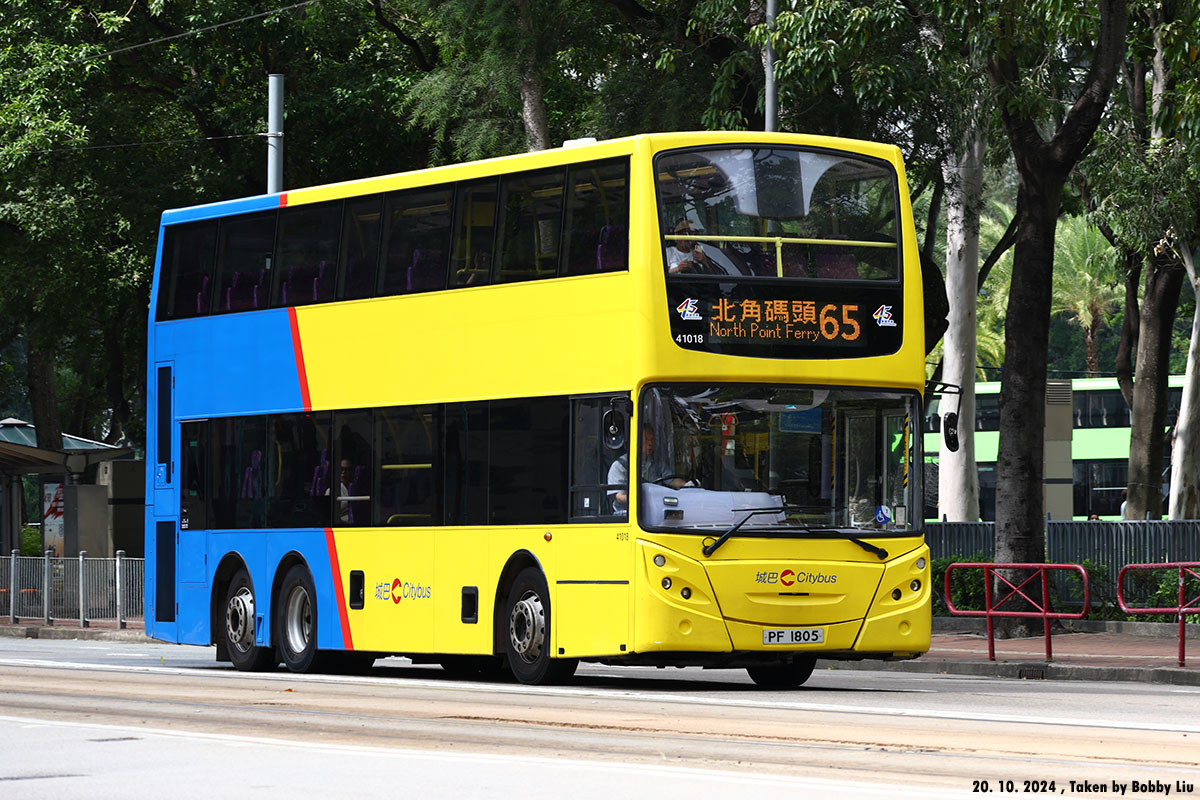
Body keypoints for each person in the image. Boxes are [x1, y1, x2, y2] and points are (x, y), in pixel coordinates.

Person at [607, 425, 687, 514]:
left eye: (652, 439)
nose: (650, 443)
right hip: (628, 514)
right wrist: (644, 499)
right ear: (635, 441)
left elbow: (671, 480)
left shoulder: (657, 462)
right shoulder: (620, 466)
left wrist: (687, 485)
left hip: (655, 512)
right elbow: (620, 497)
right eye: (646, 439)